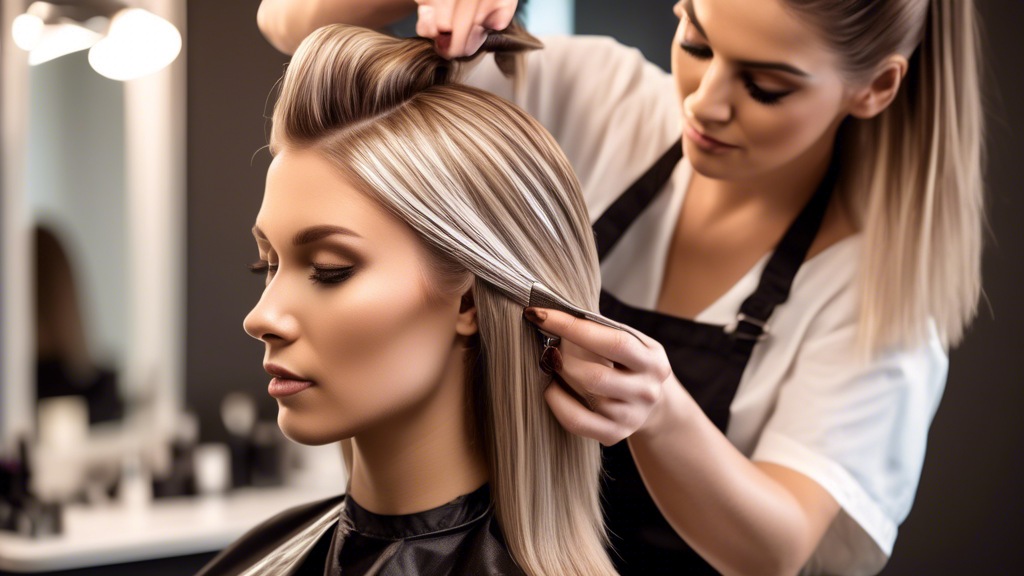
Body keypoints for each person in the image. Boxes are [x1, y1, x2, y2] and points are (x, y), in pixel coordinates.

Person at [256, 1, 985, 574]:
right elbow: (287, 22)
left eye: (765, 87)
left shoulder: (877, 292)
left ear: (876, 86)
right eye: (696, 42)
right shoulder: (602, 97)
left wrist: (661, 413)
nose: (705, 102)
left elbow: (775, 551)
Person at [195, 22, 634, 576]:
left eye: (331, 270)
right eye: (268, 264)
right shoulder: (258, 557)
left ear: (469, 304)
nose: (261, 318)